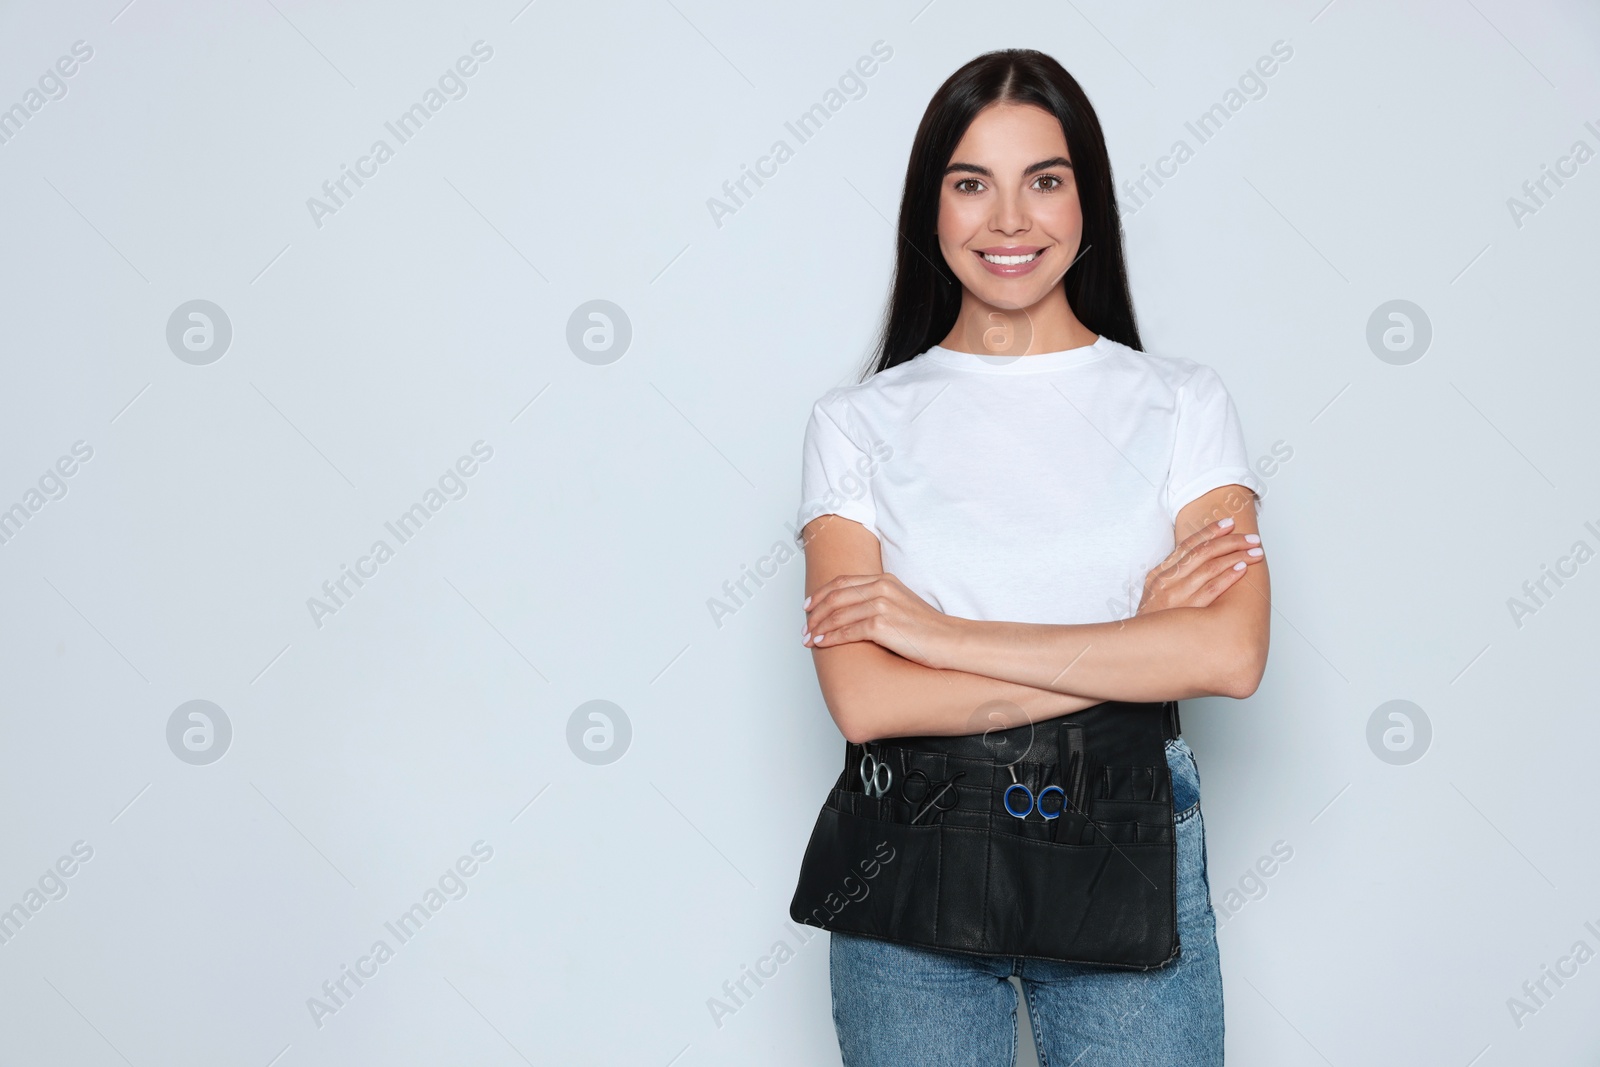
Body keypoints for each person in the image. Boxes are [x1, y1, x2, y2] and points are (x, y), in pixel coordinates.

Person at [794, 48, 1272, 1066]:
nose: (1008, 219)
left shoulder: (1181, 401)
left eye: (1043, 180)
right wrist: (1134, 646)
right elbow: (868, 702)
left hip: (1126, 832)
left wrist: (939, 635)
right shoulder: (853, 422)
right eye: (971, 183)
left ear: (1086, 201)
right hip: (908, 846)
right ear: (932, 209)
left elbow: (1228, 656)